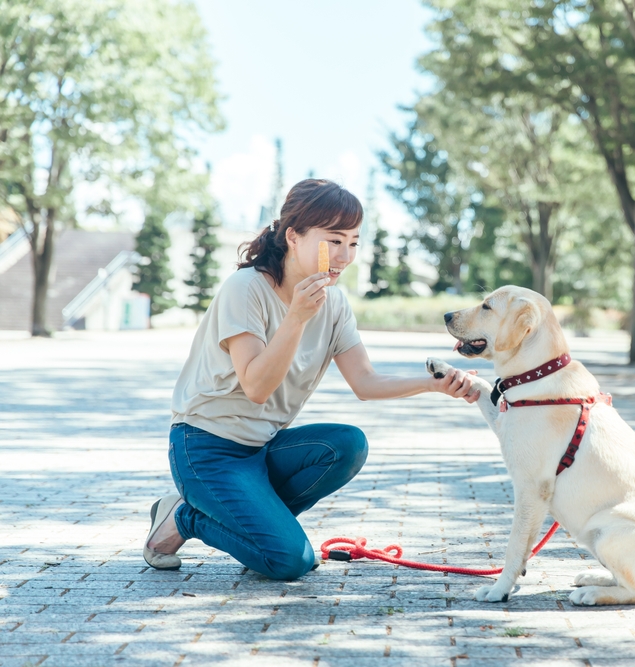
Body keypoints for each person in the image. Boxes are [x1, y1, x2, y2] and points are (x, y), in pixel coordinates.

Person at [144, 179, 479, 581]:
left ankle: (248, 519)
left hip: (260, 449)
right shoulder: (246, 289)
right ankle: (185, 516)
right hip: (206, 449)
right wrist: (297, 317)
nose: (345, 256)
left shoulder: (334, 304)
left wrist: (432, 384)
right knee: (290, 560)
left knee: (346, 444)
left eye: (354, 242)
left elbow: (366, 382)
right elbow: (256, 387)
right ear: (293, 237)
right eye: (334, 241)